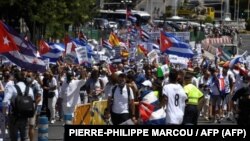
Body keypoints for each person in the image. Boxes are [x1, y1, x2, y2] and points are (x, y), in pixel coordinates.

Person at [2, 70, 34, 141]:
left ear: (16, 79)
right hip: (25, 116)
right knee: (24, 137)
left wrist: (5, 113)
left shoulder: (12, 88)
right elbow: (32, 101)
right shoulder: (29, 89)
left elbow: (5, 101)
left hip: (14, 116)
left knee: (13, 137)